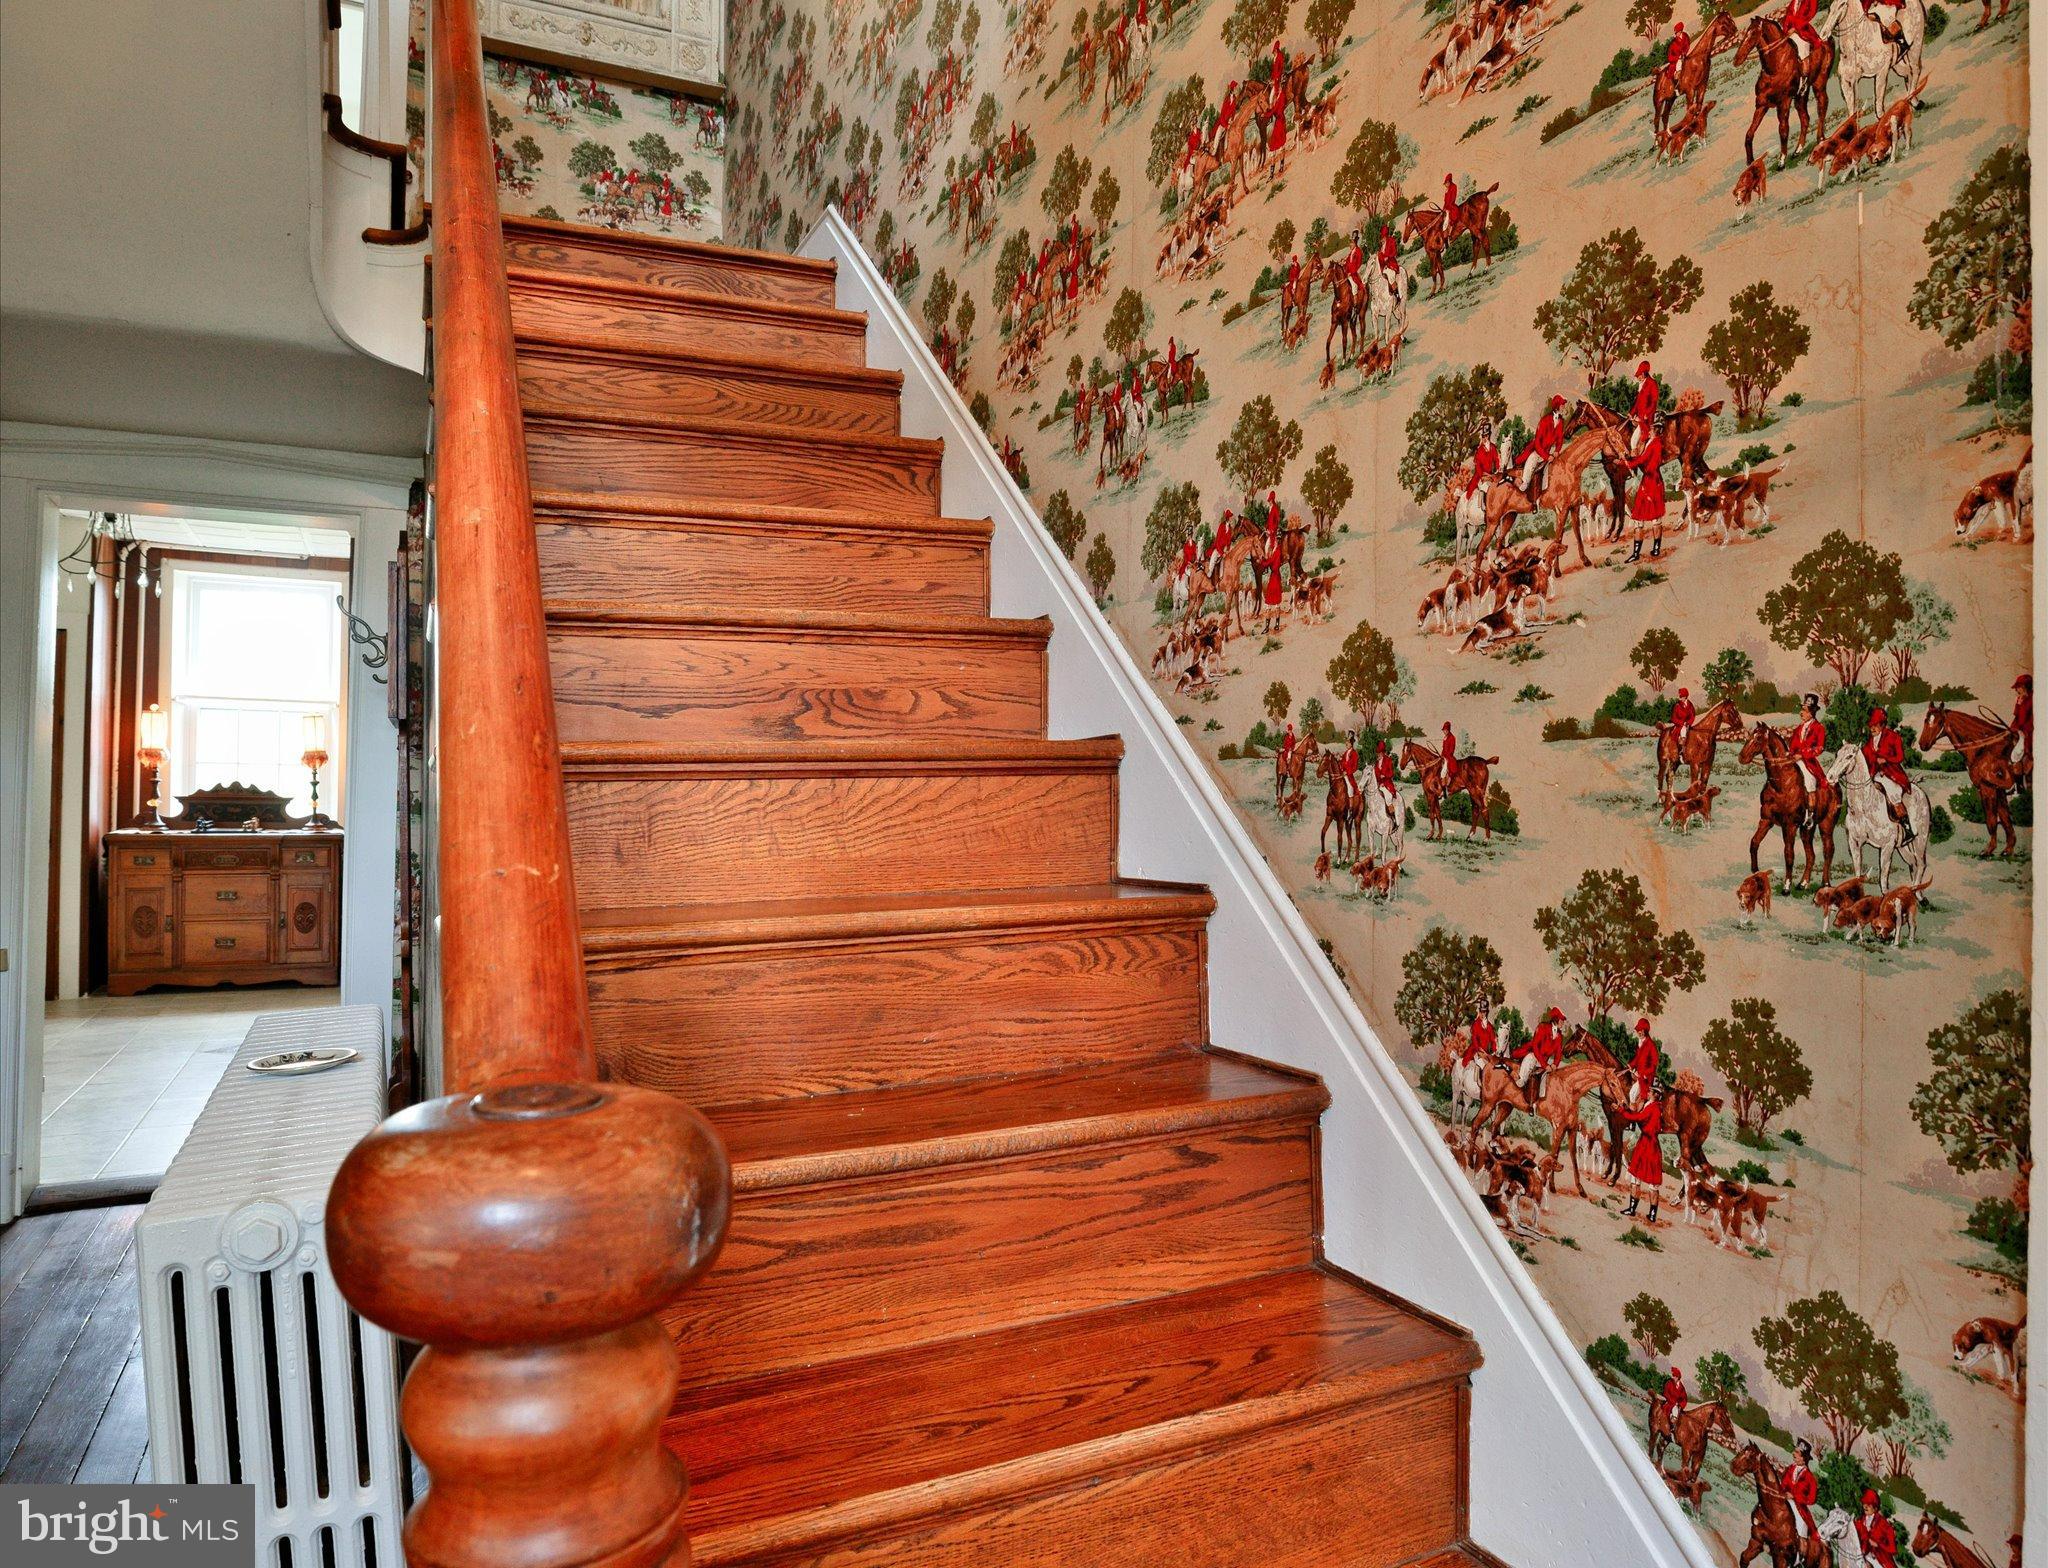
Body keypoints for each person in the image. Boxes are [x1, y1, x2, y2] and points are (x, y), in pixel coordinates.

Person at [1621, 420, 1668, 563]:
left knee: (1649, 518)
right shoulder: (1652, 442)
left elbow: (1644, 459)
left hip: (1651, 482)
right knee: (1643, 518)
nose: (1649, 430)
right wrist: (1632, 459)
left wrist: (1627, 462)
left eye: (1652, 428)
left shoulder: (1655, 444)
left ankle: (1651, 550)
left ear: (1657, 430)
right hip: (1650, 481)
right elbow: (1643, 458)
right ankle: (1647, 550)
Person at [1615, 1092, 1665, 1220]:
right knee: (1653, 1183)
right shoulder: (1658, 1107)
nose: (1647, 1092)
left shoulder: (1652, 1107)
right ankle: (1653, 1215)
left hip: (1645, 1144)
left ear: (1654, 1094)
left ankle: (1632, 1209)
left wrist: (1621, 1110)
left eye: (1649, 1091)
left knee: (1635, 1178)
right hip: (1653, 1145)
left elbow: (1638, 1118)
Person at [1863, 706, 1912, 829]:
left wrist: (1886, 759)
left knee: (1892, 790)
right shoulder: (1869, 741)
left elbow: (1900, 757)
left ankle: (1905, 822)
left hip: (1892, 774)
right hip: (1873, 774)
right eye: (1871, 725)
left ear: (1883, 725)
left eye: (1876, 725)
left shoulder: (1893, 737)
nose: (1872, 728)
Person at [1517, 394, 1567, 491]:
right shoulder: (1545, 420)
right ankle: (1525, 483)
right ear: (1557, 406)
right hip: (1538, 451)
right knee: (1531, 460)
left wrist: (1557, 450)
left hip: (1549, 451)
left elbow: (1560, 439)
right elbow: (1537, 443)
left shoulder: (1561, 421)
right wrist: (1546, 456)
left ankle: (1547, 489)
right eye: (1562, 405)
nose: (1564, 407)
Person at [1514, 1006, 1566, 1094]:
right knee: (1530, 1058)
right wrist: (1544, 1065)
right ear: (1556, 1019)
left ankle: (1542, 1096)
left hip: (1545, 1061)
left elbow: (1558, 1053)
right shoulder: (1542, 1027)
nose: (1563, 1023)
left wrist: (1555, 1064)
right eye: (1561, 1020)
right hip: (1534, 1055)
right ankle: (1521, 1080)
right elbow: (1535, 1047)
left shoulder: (1559, 1036)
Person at [1782, 1441, 1819, 1545]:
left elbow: (1811, 1500)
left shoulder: (1810, 1478)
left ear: (1803, 1457)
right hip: (1785, 1500)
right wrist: (1783, 1492)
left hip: (1799, 1508)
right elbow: (1784, 1484)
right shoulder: (1790, 1469)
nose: (1793, 1453)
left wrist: (1794, 1497)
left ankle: (1801, 1553)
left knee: (1802, 1526)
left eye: (1797, 1452)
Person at [1789, 693, 1828, 793]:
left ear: (1811, 713)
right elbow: (1792, 746)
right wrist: (1790, 753)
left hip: (1809, 763)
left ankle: (1811, 807)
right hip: (1793, 760)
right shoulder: (1798, 729)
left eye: (1804, 711)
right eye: (1801, 710)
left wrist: (1802, 755)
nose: (1801, 713)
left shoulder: (1819, 728)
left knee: (1810, 781)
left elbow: (1819, 748)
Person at [1856, 1490, 1899, 1568]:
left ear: (1875, 1508)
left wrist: (1877, 1544)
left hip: (1880, 1559)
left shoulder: (1883, 1524)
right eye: (1864, 1503)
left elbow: (1892, 1548)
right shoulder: (1860, 1521)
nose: (1865, 1506)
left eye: (1869, 1504)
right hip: (1862, 1556)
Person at [1629, 360, 1660, 453]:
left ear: (1643, 374)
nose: (1638, 378)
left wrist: (1646, 414)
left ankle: (1635, 454)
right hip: (1638, 416)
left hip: (1647, 417)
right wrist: (1631, 413)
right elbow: (1637, 402)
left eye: (1638, 375)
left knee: (1634, 440)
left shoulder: (1652, 383)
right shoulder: (1642, 384)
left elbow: (1654, 402)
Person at [1630, 1017, 1661, 1104]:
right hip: (1638, 1074)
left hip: (1646, 1078)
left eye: (1641, 1030)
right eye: (1638, 1030)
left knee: (1632, 1094)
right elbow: (1637, 1058)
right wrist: (1631, 1065)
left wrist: (1643, 1074)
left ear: (1645, 1032)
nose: (1639, 1032)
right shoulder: (1641, 1042)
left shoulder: (1651, 1045)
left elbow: (1654, 1065)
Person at [2013, 673, 2033, 778]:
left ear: (2024, 687)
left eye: (2018, 687)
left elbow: (2023, 720)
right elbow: (2016, 717)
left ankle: (2019, 782)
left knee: (2016, 754)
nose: (2016, 690)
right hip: (2021, 730)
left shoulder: (2031, 699)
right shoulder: (2021, 699)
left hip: (2028, 731)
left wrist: (2020, 704)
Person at [1372, 738, 1398, 816]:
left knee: (1388, 796)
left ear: (1383, 753)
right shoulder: (1376, 763)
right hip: (1378, 784)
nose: (1378, 754)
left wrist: (1385, 776)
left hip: (1387, 783)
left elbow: (1391, 773)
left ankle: (1392, 815)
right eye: (1378, 753)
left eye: (1380, 753)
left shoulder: (1388, 760)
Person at [1669, 686, 1696, 752]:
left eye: (1681, 697)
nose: (1679, 698)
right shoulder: (1677, 706)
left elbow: (1692, 716)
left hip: (1688, 725)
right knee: (1681, 734)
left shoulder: (1690, 705)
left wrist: (1688, 723)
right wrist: (1682, 723)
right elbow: (1673, 718)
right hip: (1679, 726)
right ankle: (1680, 750)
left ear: (1685, 697)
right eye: (1679, 697)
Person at [1439, 721, 1459, 789]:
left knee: (1444, 770)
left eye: (1445, 730)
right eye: (1443, 730)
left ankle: (1445, 786)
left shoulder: (1452, 738)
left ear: (1448, 730)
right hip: (1444, 756)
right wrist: (1441, 755)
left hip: (1449, 757)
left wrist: (1445, 756)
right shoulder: (1445, 738)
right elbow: (1443, 749)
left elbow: (1451, 750)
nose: (1444, 732)